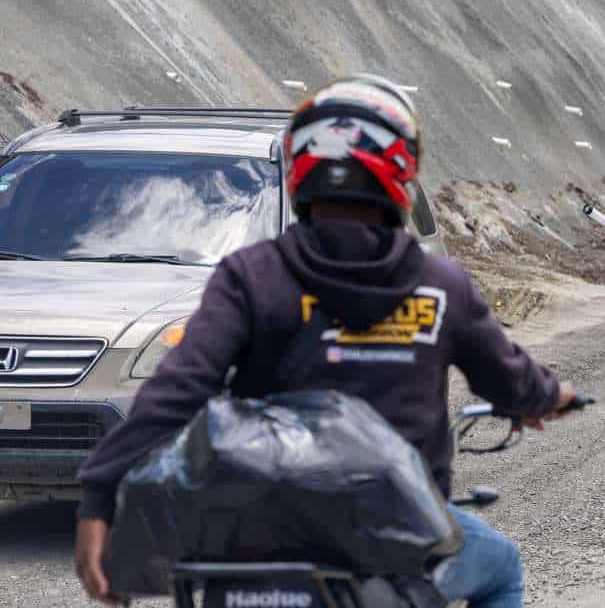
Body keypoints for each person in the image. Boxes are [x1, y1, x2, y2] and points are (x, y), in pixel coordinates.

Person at [73, 75, 575, 608]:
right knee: (501, 569)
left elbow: (176, 389)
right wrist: (549, 396)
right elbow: (511, 378)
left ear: (300, 169)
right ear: (399, 172)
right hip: (395, 530)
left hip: (258, 528)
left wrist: (99, 498)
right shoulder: (441, 284)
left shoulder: (251, 275)